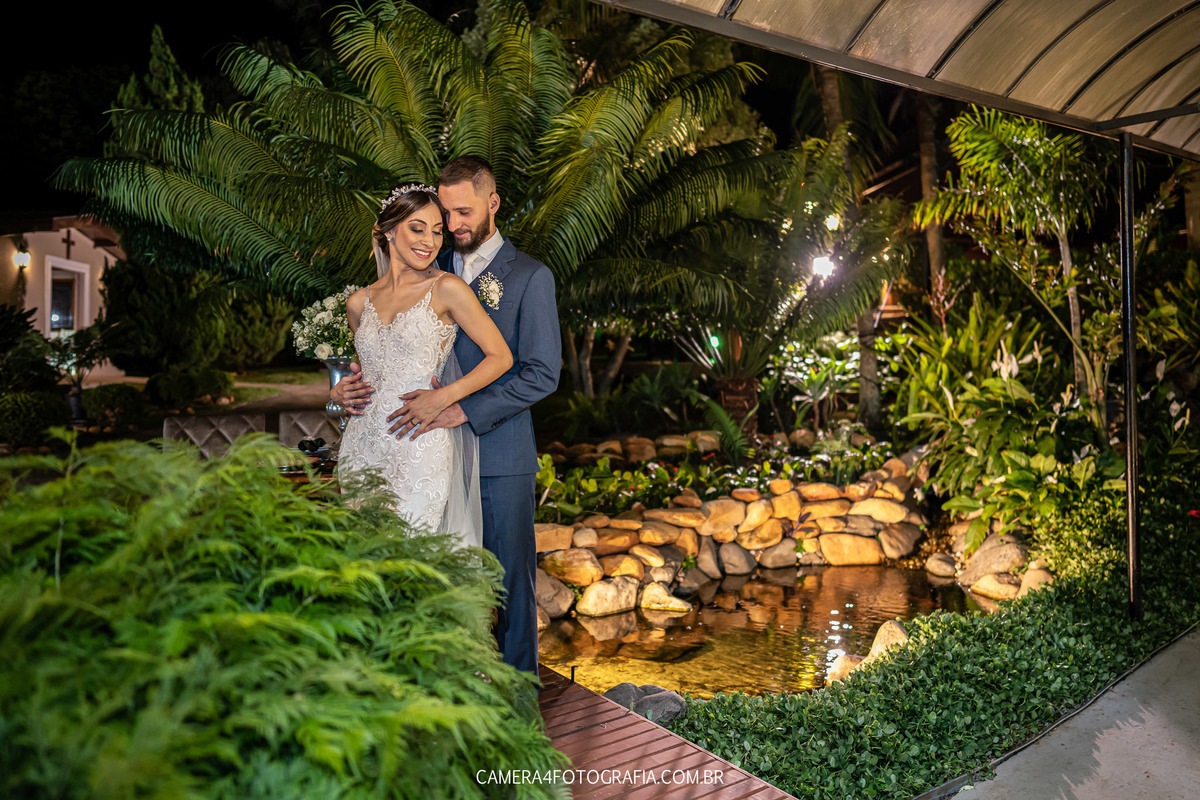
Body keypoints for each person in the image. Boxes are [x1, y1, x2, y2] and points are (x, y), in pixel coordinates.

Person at [335, 157, 561, 674]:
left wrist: (460, 407)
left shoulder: (529, 277)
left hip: (498, 454)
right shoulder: (425, 271)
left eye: (461, 213)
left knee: (507, 589)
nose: (451, 227)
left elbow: (542, 373)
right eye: (443, 216)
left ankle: (517, 701)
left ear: (492, 203)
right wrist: (340, 392)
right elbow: (376, 358)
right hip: (413, 448)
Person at [333, 183, 512, 546]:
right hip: (362, 445)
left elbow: (501, 357)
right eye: (418, 228)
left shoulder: (447, 288)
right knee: (365, 559)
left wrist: (444, 397)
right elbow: (365, 373)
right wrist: (340, 390)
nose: (429, 241)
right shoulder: (357, 302)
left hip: (418, 442)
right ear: (387, 232)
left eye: (436, 231)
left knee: (414, 558)